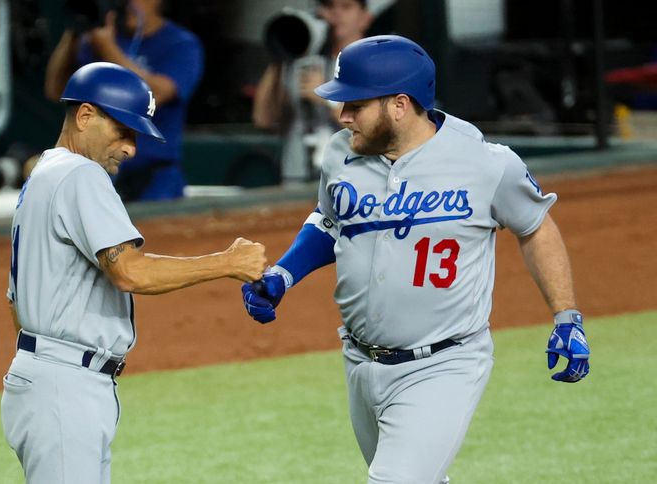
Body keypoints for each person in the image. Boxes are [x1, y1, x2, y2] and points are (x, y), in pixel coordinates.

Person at [241, 35, 590, 483]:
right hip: (359, 361)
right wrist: (283, 275)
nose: (343, 116)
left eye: (355, 105)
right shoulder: (341, 153)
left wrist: (567, 316)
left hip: (444, 363)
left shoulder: (483, 163)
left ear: (400, 105)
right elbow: (330, 221)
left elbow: (535, 225)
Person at [2, 62, 266, 484]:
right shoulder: (79, 174)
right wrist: (227, 262)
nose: (130, 148)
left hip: (47, 377)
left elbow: (15, 303)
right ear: (85, 115)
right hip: (64, 387)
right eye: (123, 131)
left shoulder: (43, 176)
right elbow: (130, 273)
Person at [44, 0, 203, 202]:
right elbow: (56, 89)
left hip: (153, 177)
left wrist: (108, 48)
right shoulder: (95, 39)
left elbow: (156, 95)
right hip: (97, 173)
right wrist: (75, 30)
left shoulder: (181, 44)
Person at [252, 0, 372, 182]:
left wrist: (326, 97)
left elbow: (371, 127)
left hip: (349, 179)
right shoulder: (302, 62)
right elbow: (264, 119)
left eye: (346, 7)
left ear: (365, 18)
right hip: (295, 176)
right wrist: (279, 55)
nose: (336, 14)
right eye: (330, 7)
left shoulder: (373, 64)